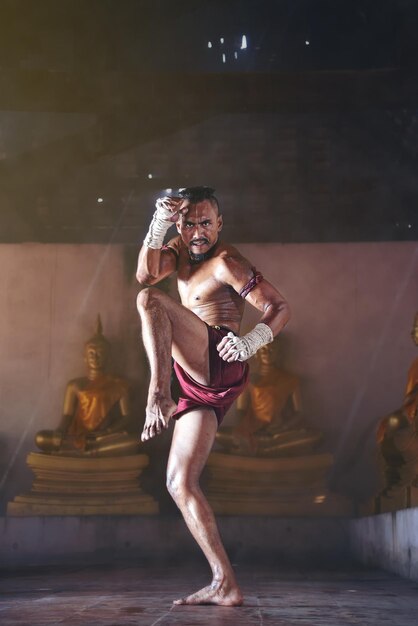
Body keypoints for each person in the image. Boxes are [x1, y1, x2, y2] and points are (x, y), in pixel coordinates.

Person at [136, 186, 290, 606]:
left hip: (221, 358)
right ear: (180, 224)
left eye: (206, 222)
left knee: (150, 302)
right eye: (189, 223)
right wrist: (157, 226)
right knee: (179, 482)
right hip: (195, 378)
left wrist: (251, 342)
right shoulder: (179, 250)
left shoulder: (226, 261)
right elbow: (146, 272)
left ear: (220, 224)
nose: (198, 232)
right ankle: (225, 582)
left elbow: (279, 307)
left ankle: (157, 395)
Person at [36, 316, 139, 457]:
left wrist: (106, 432)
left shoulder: (118, 384)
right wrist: (60, 431)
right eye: (91, 353)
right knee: (41, 438)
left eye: (100, 353)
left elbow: (127, 417)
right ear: (84, 356)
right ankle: (89, 450)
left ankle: (87, 449)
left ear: (108, 357)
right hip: (76, 436)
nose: (95, 357)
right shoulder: (74, 385)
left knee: (135, 441)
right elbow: (67, 414)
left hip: (104, 437)